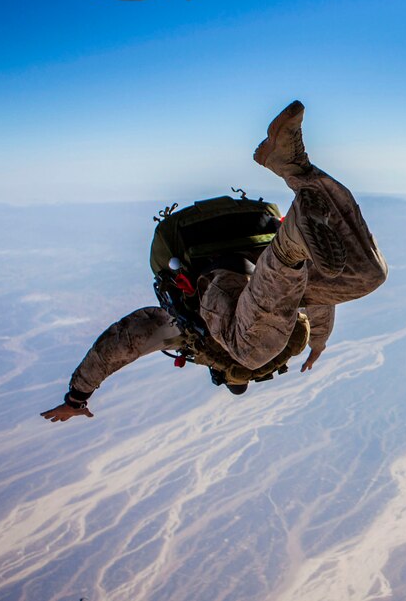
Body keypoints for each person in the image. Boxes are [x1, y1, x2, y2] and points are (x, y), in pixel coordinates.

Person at [40, 100, 388, 422]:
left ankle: (292, 217)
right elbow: (317, 301)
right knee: (368, 276)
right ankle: (296, 184)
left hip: (220, 277)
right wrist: (318, 343)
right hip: (270, 270)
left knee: (255, 350)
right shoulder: (193, 334)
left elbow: (121, 342)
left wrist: (76, 398)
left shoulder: (183, 330)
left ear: (219, 371)